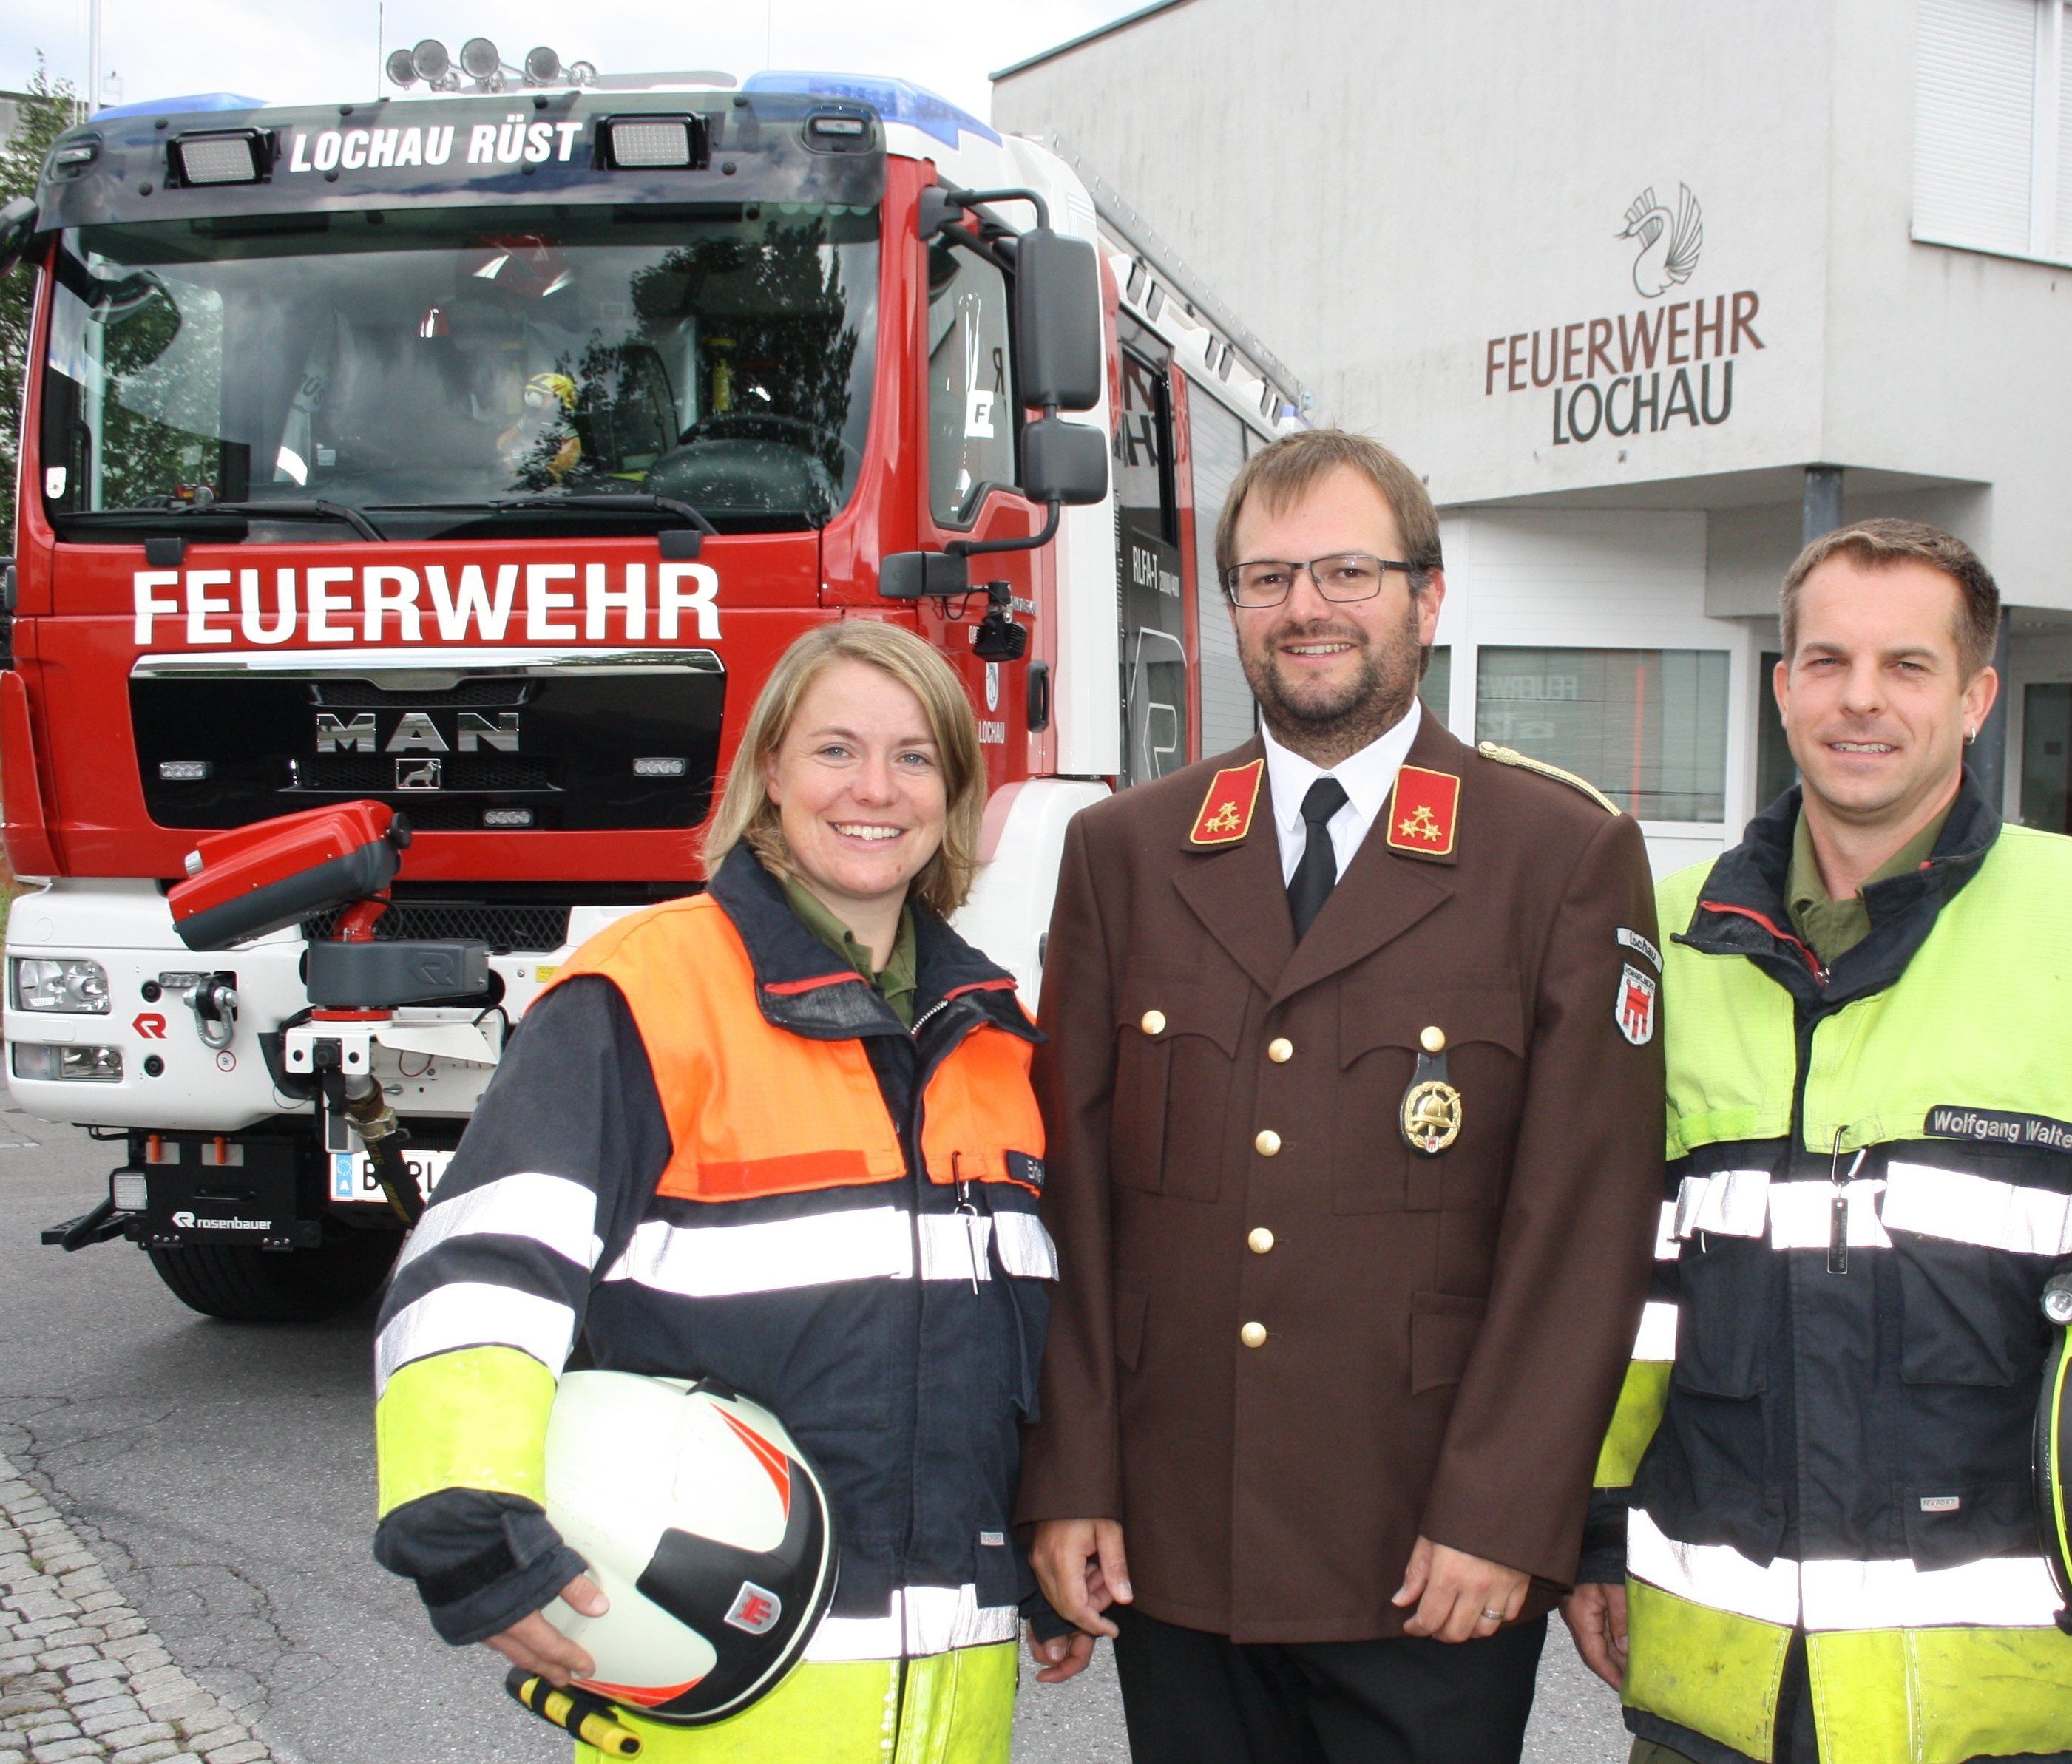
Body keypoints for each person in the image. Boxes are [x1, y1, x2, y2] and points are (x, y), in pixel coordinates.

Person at [1565, 518, 2072, 1764]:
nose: (1859, 699)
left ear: (1977, 695)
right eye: (1824, 661)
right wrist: (1592, 1525)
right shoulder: (1659, 943)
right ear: (1781, 688)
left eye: (1907, 666)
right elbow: (1613, 1278)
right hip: (1710, 1700)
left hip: (1990, 1709)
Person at [1019, 428, 1665, 1763]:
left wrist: (1504, 1510)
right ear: (1234, 610)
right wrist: (1072, 1473)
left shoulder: (1557, 855)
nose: (1305, 607)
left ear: (1427, 600)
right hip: (1177, 1533)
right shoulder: (1125, 853)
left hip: (1426, 1551)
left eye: (1347, 572)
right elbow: (1074, 1204)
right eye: (1266, 578)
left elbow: (1584, 1225)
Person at [372, 620, 1054, 1762]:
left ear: (957, 792)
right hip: (717, 1703)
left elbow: (1009, 1356)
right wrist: (474, 1539)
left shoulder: (992, 1037)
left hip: (954, 1707)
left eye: (914, 756)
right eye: (835, 750)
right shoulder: (640, 994)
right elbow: (479, 1274)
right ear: (770, 774)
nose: (874, 789)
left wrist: (1035, 1542)